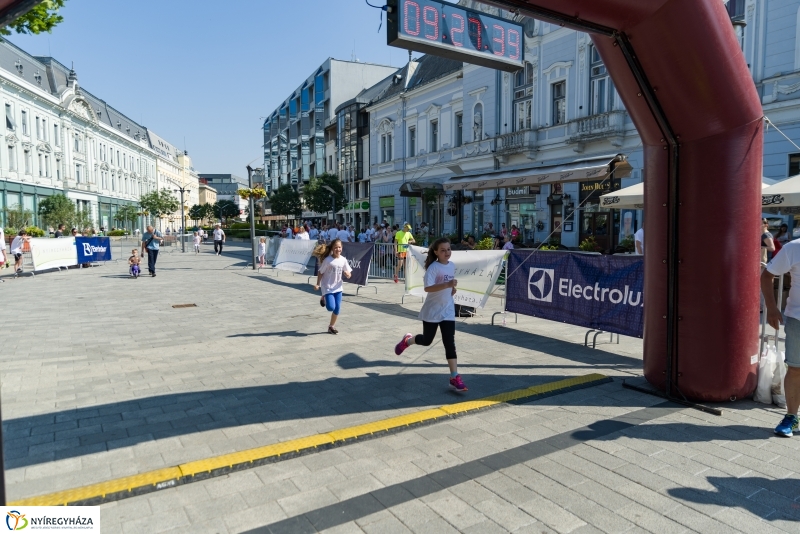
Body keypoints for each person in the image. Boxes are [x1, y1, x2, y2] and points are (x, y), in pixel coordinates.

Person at [394, 238, 466, 392]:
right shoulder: (433, 268)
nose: (446, 253)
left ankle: (454, 376)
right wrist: (447, 285)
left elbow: (446, 287)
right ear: (436, 252)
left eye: (448, 249)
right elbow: (428, 288)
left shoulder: (451, 265)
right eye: (443, 250)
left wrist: (451, 290)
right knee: (427, 340)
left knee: (449, 342)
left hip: (447, 310)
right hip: (432, 311)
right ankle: (408, 340)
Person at [762, 238, 800, 436]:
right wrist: (771, 307)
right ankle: (792, 417)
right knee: (795, 369)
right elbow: (766, 275)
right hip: (797, 319)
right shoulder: (793, 247)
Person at [313, 239, 352, 335]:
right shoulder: (328, 260)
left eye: (339, 247)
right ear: (332, 248)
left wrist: (348, 274)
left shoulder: (343, 260)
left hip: (338, 287)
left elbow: (349, 272)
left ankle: (331, 326)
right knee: (331, 307)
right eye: (335, 247)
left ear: (342, 248)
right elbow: (320, 272)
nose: (338, 249)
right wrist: (318, 284)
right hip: (327, 287)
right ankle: (324, 297)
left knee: (337, 309)